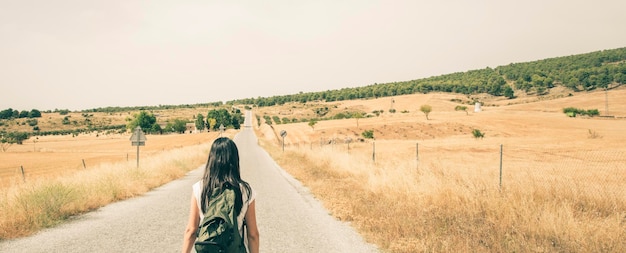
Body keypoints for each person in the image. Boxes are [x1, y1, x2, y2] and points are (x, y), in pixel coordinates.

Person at [182, 137, 259, 253]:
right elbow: (253, 234)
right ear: (235, 160)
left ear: (211, 159)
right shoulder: (245, 190)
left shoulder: (200, 188)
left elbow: (191, 231)